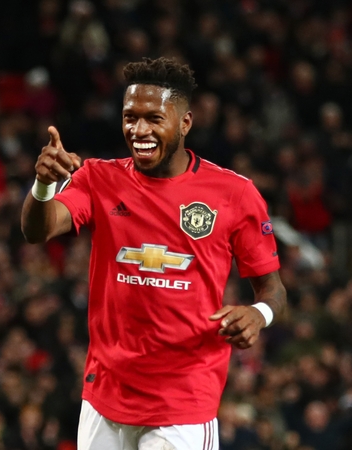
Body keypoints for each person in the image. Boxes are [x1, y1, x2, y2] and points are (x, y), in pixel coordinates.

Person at [21, 57, 287, 450]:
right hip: (105, 395)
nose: (139, 130)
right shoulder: (98, 178)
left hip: (183, 401)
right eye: (130, 117)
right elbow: (37, 230)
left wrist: (257, 314)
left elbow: (273, 290)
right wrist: (44, 185)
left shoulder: (235, 194)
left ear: (185, 123)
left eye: (153, 118)